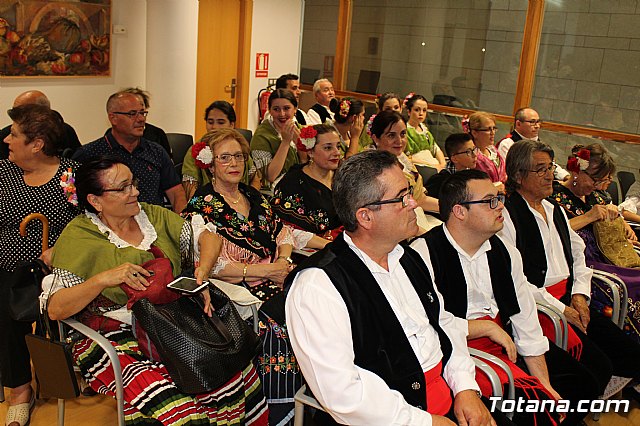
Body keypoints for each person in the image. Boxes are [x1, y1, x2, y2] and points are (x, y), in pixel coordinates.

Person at [43, 156, 269, 425]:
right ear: (95, 201)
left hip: (171, 317)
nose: (135, 192)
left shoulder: (151, 215)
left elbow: (208, 237)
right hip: (112, 332)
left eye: (133, 183)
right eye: (123, 188)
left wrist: (202, 275)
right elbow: (56, 309)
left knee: (230, 371)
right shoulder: (78, 236)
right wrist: (103, 279)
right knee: (179, 404)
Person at [286, 150, 498, 426]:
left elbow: (442, 324)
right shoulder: (317, 285)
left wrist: (465, 388)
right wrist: (426, 422)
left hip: (445, 397)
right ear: (365, 217)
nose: (414, 204)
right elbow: (344, 394)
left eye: (410, 192)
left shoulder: (407, 257)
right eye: (402, 198)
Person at [411, 169, 602, 426]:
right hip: (457, 352)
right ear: (459, 211)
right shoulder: (423, 254)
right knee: (536, 412)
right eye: (490, 201)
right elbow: (427, 326)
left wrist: (544, 384)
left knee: (581, 385)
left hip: (505, 341)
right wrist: (482, 328)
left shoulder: (504, 251)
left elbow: (525, 318)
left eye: (499, 198)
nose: (500, 206)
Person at [500, 139, 640, 397]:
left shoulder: (554, 209)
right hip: (539, 305)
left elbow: (578, 255)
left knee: (631, 354)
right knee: (597, 368)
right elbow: (514, 279)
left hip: (569, 297)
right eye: (540, 169)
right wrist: (561, 308)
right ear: (519, 175)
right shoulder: (507, 216)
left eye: (550, 167)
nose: (549, 175)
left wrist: (579, 295)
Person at [181, 129, 300, 424]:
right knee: (282, 328)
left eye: (239, 156)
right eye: (225, 157)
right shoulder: (201, 206)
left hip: (277, 276)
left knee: (317, 309)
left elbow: (283, 232)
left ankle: (312, 403)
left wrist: (282, 262)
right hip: (241, 290)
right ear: (209, 163)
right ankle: (276, 413)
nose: (234, 163)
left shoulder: (252, 195)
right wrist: (265, 270)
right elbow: (213, 265)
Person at [0, 104, 81, 426]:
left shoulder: (70, 175)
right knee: (5, 311)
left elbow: (86, 221)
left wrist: (61, 249)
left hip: (54, 267)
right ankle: (19, 391)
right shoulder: (4, 172)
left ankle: (64, 374)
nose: (7, 139)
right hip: (6, 264)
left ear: (37, 143)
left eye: (15, 134)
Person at [551, 143, 640, 342]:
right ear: (576, 172)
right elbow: (553, 232)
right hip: (582, 262)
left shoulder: (599, 196)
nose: (599, 185)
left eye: (604, 180)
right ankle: (627, 340)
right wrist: (589, 216)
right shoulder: (554, 198)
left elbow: (615, 214)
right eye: (596, 179)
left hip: (608, 255)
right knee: (626, 284)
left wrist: (622, 223)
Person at [73, 91, 187, 213]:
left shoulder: (156, 152)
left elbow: (176, 194)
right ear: (113, 118)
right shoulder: (89, 154)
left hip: (154, 226)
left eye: (143, 113)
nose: (141, 119)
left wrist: (180, 224)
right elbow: (74, 198)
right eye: (132, 114)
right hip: (107, 227)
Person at [370, 111, 441, 234]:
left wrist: (451, 206)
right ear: (376, 138)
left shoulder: (405, 162)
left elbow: (420, 199)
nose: (399, 141)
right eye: (391, 136)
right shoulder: (373, 169)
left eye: (403, 134)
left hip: (414, 220)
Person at [272, 123, 342, 242]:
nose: (337, 153)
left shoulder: (343, 175)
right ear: (310, 152)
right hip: (314, 251)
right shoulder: (293, 182)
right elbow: (287, 231)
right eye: (328, 148)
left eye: (338, 146)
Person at [182, 101, 259, 199]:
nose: (214, 127)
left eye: (221, 122)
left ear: (231, 124)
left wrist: (251, 200)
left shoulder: (238, 145)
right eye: (210, 122)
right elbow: (190, 189)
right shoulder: (196, 151)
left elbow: (255, 178)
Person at [0, 90, 81, 159]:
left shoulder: (65, 131)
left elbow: (77, 159)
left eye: (21, 112)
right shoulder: (4, 136)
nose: (15, 116)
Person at [496, 107, 569, 181]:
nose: (537, 126)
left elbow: (550, 165)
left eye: (538, 122)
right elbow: (505, 172)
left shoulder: (538, 143)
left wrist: (565, 176)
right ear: (518, 124)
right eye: (532, 122)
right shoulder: (507, 144)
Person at [250, 89, 303, 187]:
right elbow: (270, 176)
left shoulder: (300, 129)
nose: (282, 114)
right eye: (276, 109)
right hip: (273, 191)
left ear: (295, 109)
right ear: (269, 111)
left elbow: (307, 164)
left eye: (286, 108)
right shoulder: (261, 136)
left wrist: (300, 144)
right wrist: (286, 142)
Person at [121, 87, 172, 157]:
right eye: (132, 113)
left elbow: (167, 164)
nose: (140, 118)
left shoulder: (157, 134)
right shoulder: (112, 134)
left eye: (142, 112)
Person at [425, 132, 478, 199]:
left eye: (474, 149)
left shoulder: (473, 175)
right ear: (454, 159)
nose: (475, 155)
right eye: (468, 152)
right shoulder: (440, 182)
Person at [404, 93, 446, 170]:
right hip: (415, 167)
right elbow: (404, 156)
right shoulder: (404, 130)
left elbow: (435, 148)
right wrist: (430, 165)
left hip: (433, 165)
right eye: (417, 110)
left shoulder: (425, 129)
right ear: (409, 111)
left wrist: (442, 163)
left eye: (424, 110)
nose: (421, 113)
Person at [468, 112, 506, 189]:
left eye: (494, 128)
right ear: (474, 133)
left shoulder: (493, 150)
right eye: (488, 129)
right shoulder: (472, 155)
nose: (493, 133)